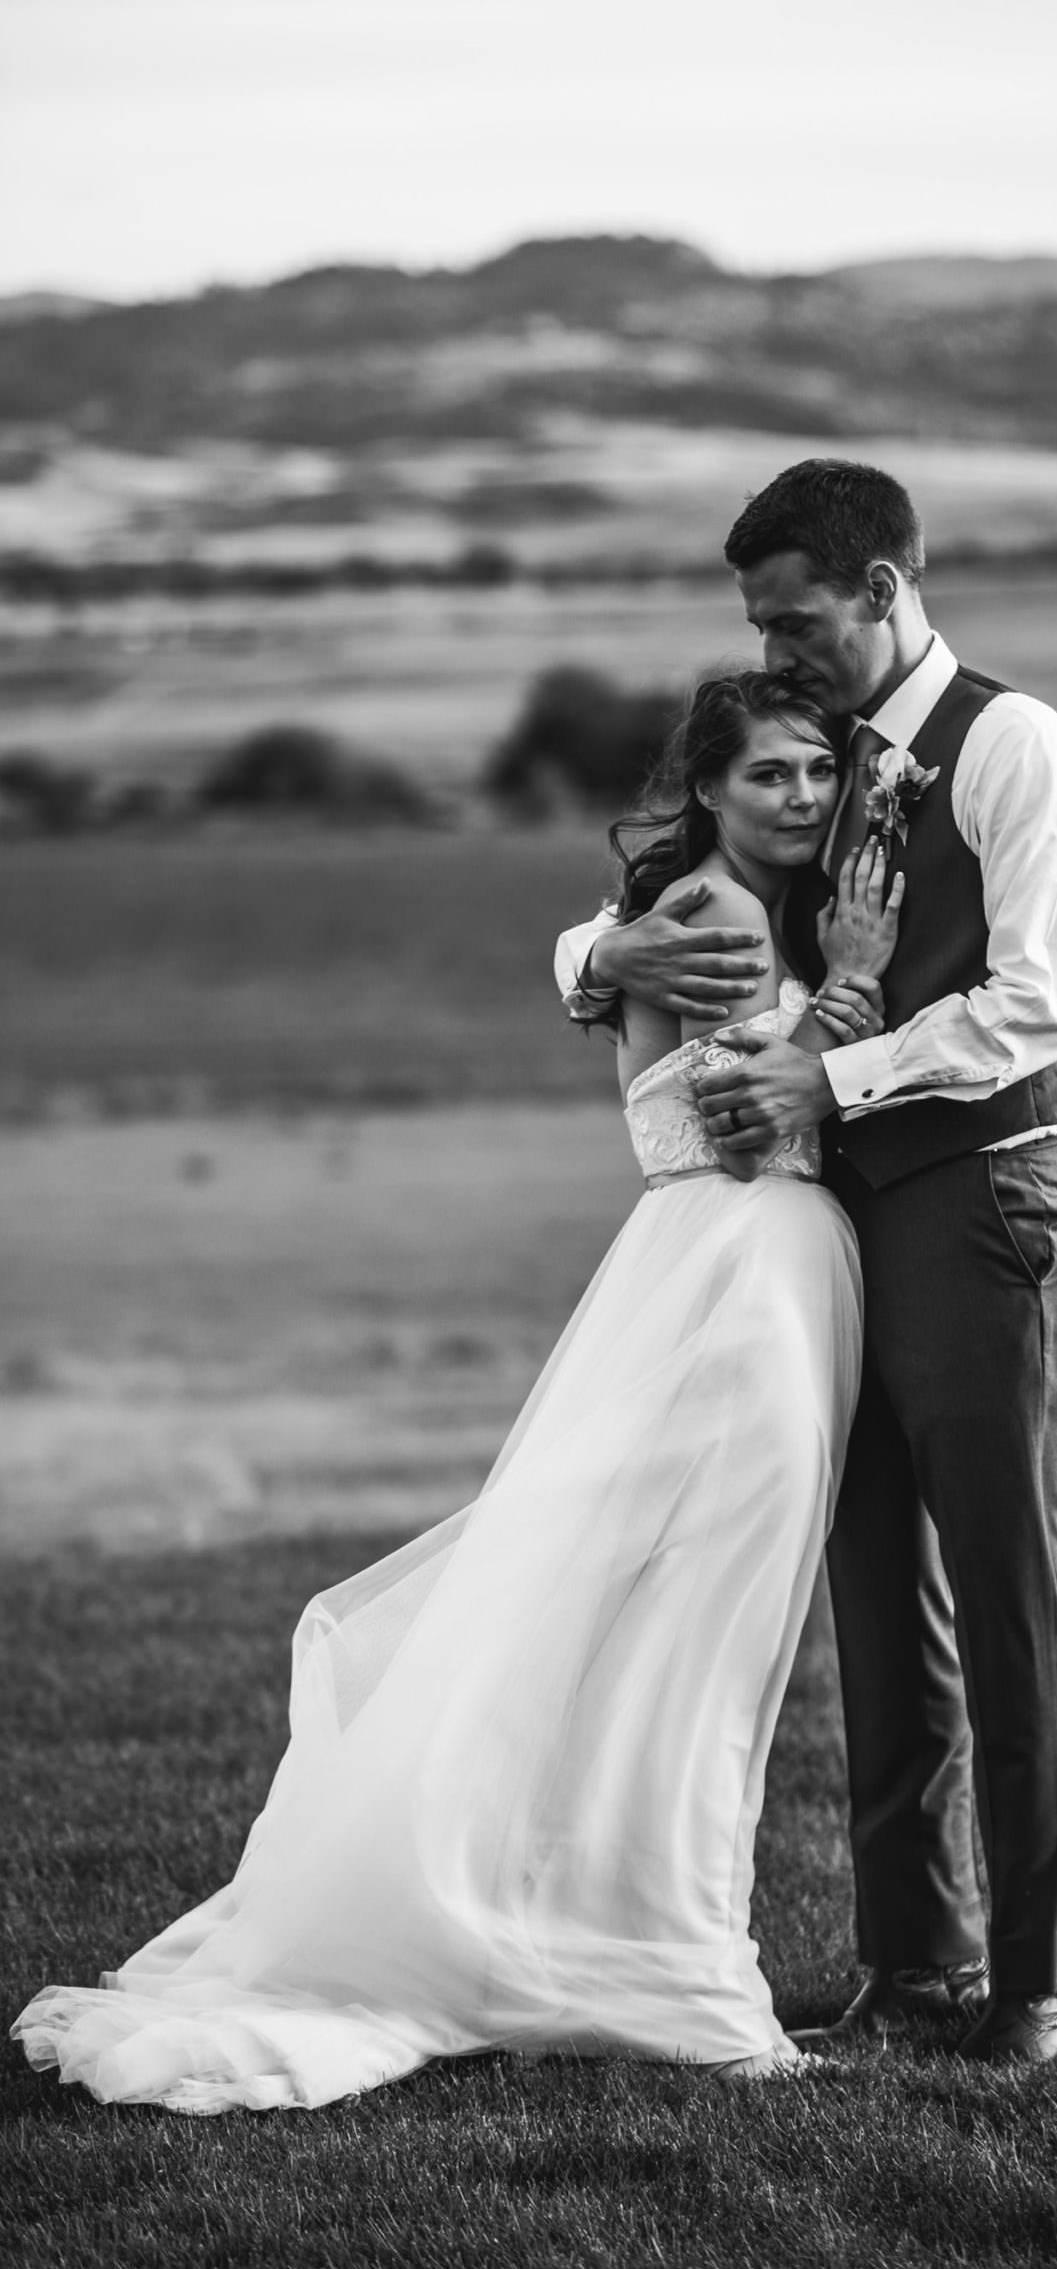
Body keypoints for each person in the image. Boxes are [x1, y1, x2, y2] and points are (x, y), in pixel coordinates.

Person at [12, 672, 900, 2111]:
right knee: (699, 1642)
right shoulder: (727, 919)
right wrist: (854, 979)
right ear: (709, 790)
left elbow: (619, 985)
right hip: (739, 1274)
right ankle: (670, 1969)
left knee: (672, 1633)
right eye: (771, 777)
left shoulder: (692, 913)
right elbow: (743, 1127)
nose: (801, 798)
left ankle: (628, 1938)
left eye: (818, 774)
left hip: (739, 1279)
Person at [557, 459, 1057, 2064]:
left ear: (884, 588)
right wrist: (598, 953)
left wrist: (833, 1075)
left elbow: (1046, 1001)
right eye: (756, 624)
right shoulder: (816, 772)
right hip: (841, 1232)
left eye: (795, 619)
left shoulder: (1015, 748)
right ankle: (910, 1962)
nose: (775, 650)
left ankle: (1038, 1982)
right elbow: (659, 901)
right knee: (880, 1596)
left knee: (1004, 1596)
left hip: (986, 1200)